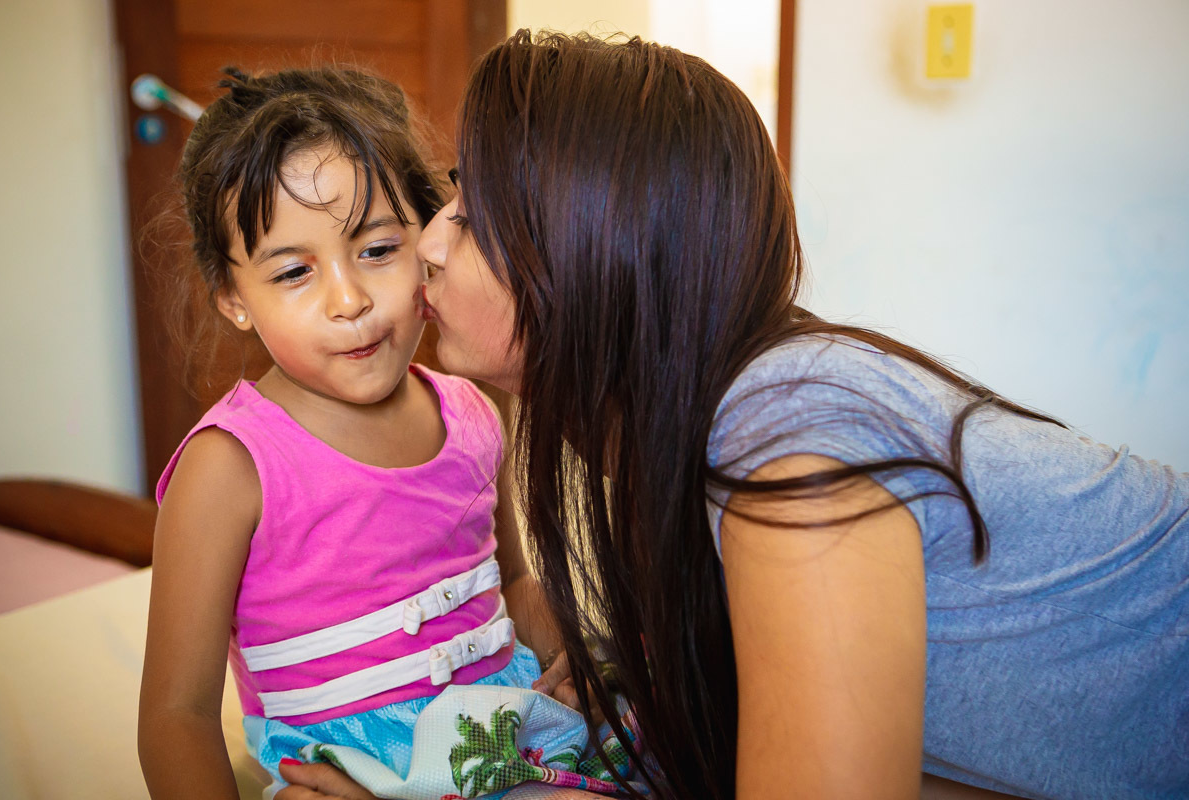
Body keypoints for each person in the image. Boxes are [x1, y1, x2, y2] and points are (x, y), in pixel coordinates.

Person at [280, 30, 1189, 800]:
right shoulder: (654, 423)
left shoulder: (786, 442)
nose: (427, 243)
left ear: (598, 257)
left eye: (476, 217)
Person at [137, 66, 642, 800]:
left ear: (430, 237)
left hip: (506, 734)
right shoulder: (229, 466)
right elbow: (175, 715)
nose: (350, 301)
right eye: (292, 273)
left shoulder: (472, 412)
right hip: (357, 776)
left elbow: (511, 580)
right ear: (233, 298)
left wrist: (568, 645)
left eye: (376, 250)